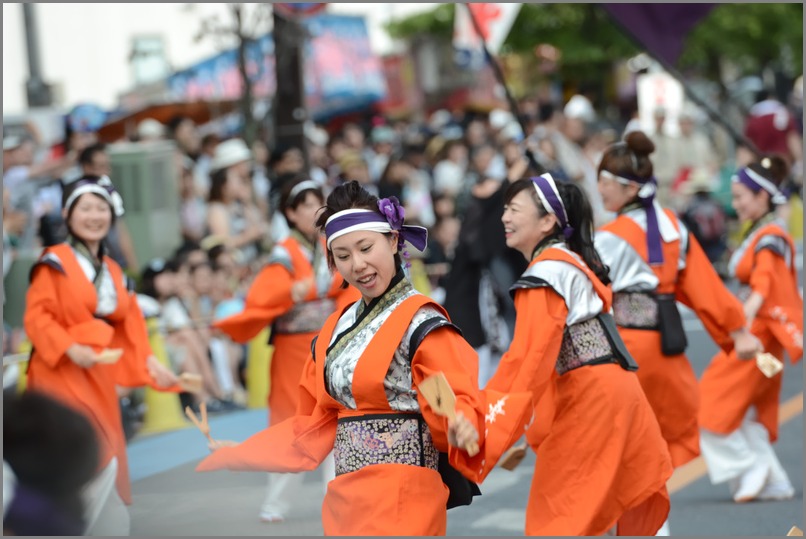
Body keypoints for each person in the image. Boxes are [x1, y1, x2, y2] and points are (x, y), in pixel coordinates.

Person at [196, 180, 533, 536]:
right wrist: (242, 451)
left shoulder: (423, 322)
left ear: (392, 240)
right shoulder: (335, 328)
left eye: (365, 247)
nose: (357, 264)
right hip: (347, 497)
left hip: (405, 494)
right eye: (342, 256)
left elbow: (453, 394)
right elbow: (311, 423)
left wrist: (461, 421)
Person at [485, 173, 673, 536]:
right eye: (505, 208)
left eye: (514, 209)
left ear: (547, 221)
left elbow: (529, 360)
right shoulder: (562, 261)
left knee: (561, 516)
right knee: (595, 507)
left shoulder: (547, 272)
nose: (505, 217)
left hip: (592, 397)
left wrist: (489, 419)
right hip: (607, 389)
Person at [593, 133, 762, 532]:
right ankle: (653, 525)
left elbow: (588, 297)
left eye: (604, 182)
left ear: (626, 187)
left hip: (626, 349)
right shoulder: (672, 225)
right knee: (657, 441)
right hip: (666, 348)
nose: (599, 189)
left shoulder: (608, 238)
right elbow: (704, 286)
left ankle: (648, 528)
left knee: (624, 446)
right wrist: (735, 330)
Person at [22, 174, 181, 535]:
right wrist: (68, 347)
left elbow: (131, 323)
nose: (94, 216)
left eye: (101, 209)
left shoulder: (113, 270)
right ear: (67, 214)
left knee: (104, 457)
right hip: (60, 372)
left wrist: (151, 362)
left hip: (97, 374)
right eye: (86, 208)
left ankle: (103, 527)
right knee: (85, 454)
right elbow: (37, 316)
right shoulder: (55, 260)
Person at [211, 177, 361, 523]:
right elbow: (264, 296)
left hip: (331, 344)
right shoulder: (283, 252)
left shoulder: (330, 242)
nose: (312, 210)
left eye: (316, 203)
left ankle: (338, 498)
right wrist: (308, 288)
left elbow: (348, 282)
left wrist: (313, 289)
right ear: (291, 214)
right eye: (304, 205)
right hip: (294, 349)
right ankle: (276, 502)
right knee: (290, 423)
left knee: (337, 420)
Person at [698, 156, 803, 503]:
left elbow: (761, 288)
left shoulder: (770, 236)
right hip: (764, 347)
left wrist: (738, 325)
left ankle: (748, 465)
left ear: (762, 198)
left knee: (709, 403)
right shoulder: (764, 233)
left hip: (757, 343)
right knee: (745, 406)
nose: (736, 203)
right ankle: (775, 481)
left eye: (741, 196)